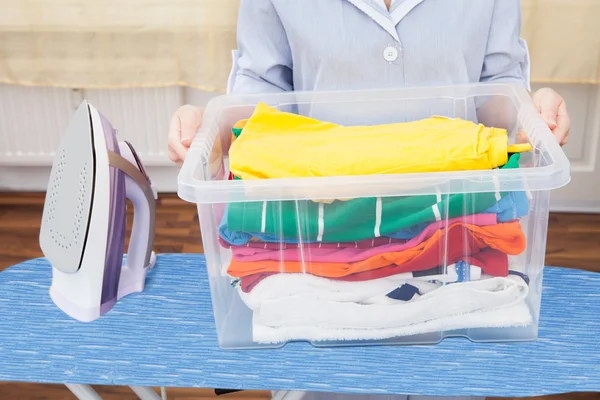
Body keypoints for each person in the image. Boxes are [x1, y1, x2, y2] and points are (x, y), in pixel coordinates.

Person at [167, 1, 570, 399]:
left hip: (456, 248)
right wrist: (212, 131)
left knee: (450, 382)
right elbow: (261, 95)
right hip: (314, 246)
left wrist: (532, 117)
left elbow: (498, 89)